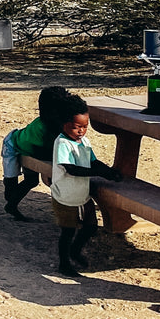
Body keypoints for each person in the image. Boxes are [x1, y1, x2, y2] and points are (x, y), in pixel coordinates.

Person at [51, 97, 122, 275]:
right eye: (76, 127)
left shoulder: (84, 142)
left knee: (90, 226)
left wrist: (108, 172)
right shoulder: (62, 144)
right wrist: (97, 173)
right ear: (64, 124)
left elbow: (93, 162)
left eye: (85, 126)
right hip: (65, 196)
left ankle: (75, 250)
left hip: (82, 194)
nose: (81, 131)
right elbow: (71, 169)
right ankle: (64, 264)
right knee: (67, 232)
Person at [1, 85, 76, 220]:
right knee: (11, 186)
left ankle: (11, 206)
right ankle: (11, 201)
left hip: (29, 149)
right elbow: (42, 151)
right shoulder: (42, 128)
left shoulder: (54, 123)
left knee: (31, 181)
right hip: (12, 146)